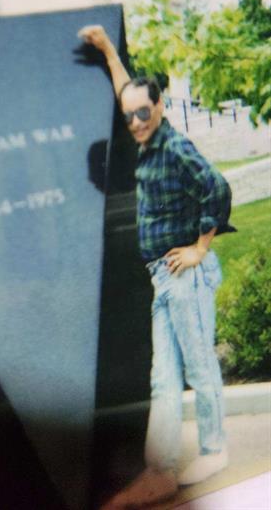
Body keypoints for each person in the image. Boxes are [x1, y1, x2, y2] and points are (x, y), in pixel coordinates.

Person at [77, 25, 232, 508]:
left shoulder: (175, 147)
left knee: (200, 364)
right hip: (162, 279)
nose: (137, 121)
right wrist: (107, 51)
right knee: (163, 377)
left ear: (161, 107)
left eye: (145, 112)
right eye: (130, 117)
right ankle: (160, 472)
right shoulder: (145, 141)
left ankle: (215, 449)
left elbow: (217, 187)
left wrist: (201, 248)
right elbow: (128, 90)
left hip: (186, 275)